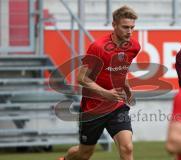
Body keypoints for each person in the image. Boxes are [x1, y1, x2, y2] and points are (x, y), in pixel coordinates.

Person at [58, 5, 140, 160]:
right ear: (114, 25)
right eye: (125, 27)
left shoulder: (134, 46)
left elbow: (120, 70)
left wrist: (127, 88)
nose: (129, 32)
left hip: (117, 106)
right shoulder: (98, 47)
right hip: (93, 108)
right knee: (84, 154)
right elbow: (82, 78)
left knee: (127, 148)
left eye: (132, 27)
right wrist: (106, 93)